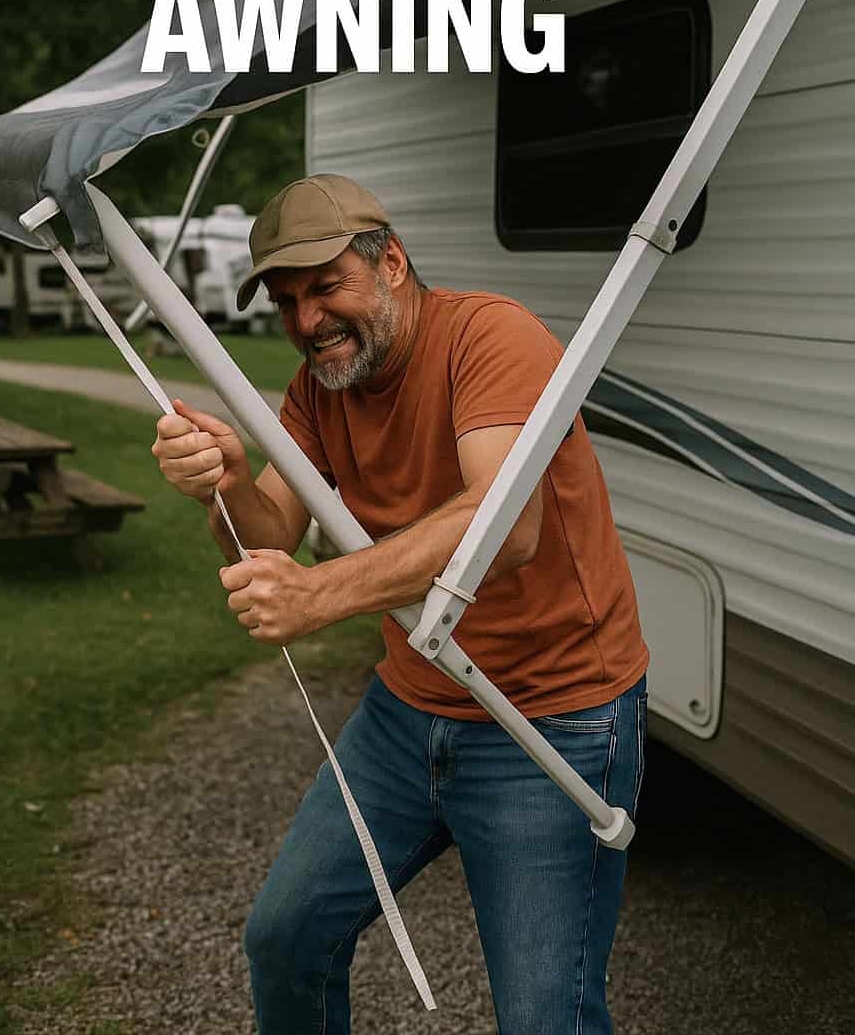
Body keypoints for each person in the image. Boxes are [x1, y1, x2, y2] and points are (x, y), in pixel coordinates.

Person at [152, 173, 648, 1035]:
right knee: (286, 938)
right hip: (407, 710)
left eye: (327, 287)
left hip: (552, 721)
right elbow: (266, 537)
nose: (308, 321)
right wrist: (224, 486)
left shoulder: (488, 337)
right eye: (287, 301)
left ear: (390, 261)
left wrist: (320, 595)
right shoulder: (320, 389)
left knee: (546, 1019)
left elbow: (507, 524)